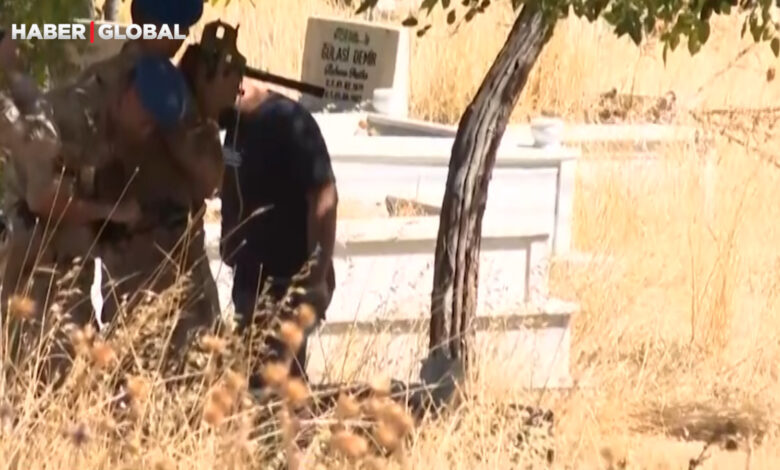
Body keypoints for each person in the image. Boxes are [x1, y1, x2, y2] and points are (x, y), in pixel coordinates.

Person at [0, 35, 191, 383]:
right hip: (27, 233)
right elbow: (41, 199)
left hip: (67, 236)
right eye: (146, 117)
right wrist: (110, 212)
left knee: (74, 338)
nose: (148, 129)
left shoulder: (122, 113)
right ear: (128, 94)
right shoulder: (69, 119)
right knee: (35, 350)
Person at [219, 80, 338, 385]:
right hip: (249, 275)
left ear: (237, 87)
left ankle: (291, 429)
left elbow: (323, 197)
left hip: (287, 278)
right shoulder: (235, 123)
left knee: (281, 379)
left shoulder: (289, 123)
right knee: (253, 375)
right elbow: (231, 183)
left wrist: (317, 273)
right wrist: (228, 234)